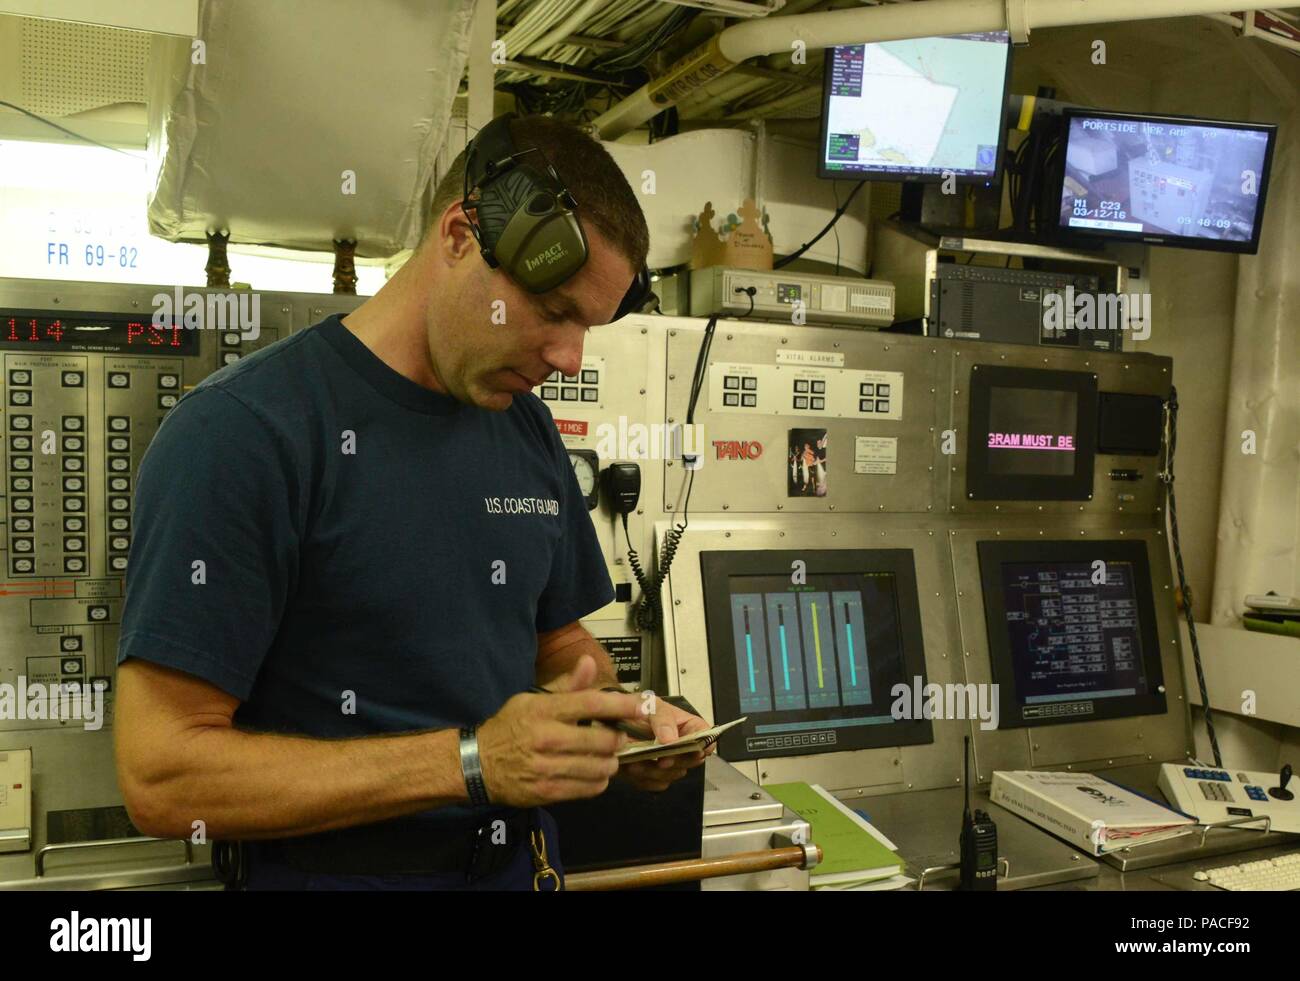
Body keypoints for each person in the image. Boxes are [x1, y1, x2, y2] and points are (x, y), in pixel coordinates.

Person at [113, 114, 711, 891]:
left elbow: (562, 646)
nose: (569, 358)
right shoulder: (245, 434)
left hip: (521, 869)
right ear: (460, 235)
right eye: (555, 311)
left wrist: (625, 723)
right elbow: (161, 775)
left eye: (588, 326)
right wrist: (471, 762)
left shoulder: (521, 424)